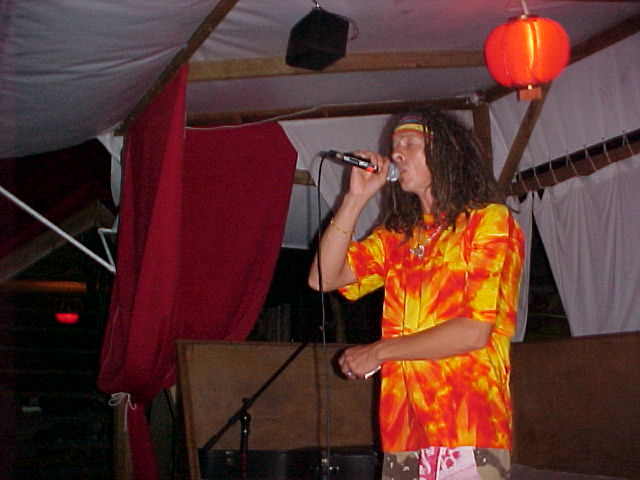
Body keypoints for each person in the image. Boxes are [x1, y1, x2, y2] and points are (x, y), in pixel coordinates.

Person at [308, 108, 525, 480]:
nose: (396, 153)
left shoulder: (489, 221)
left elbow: (474, 331)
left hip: (467, 423)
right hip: (404, 427)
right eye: (394, 146)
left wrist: (379, 351)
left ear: (446, 153)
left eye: (410, 143)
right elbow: (322, 278)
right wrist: (355, 198)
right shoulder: (399, 235)